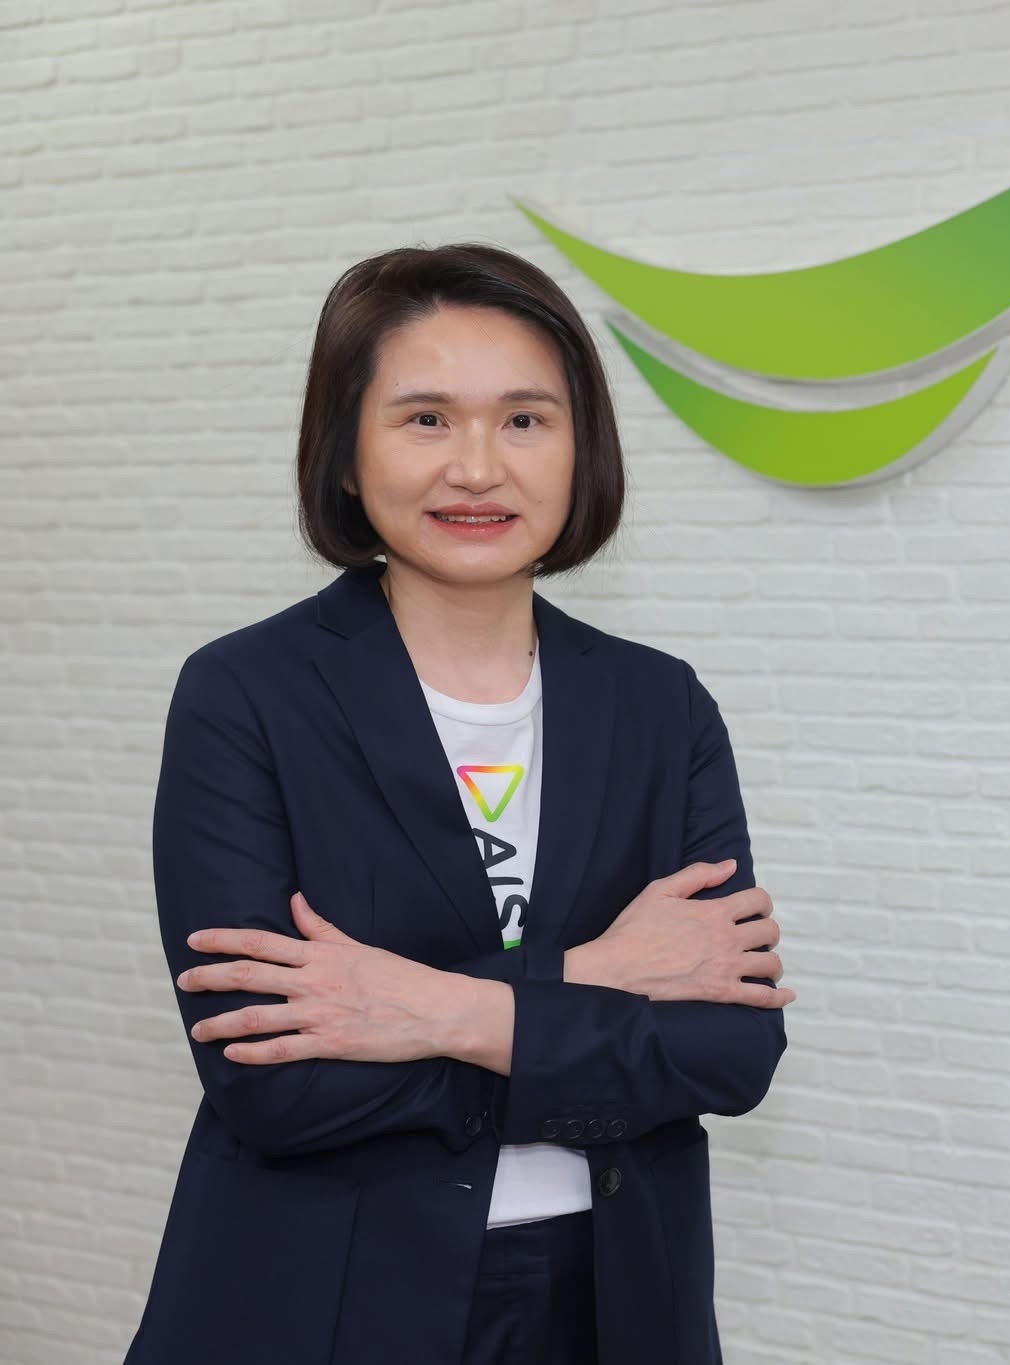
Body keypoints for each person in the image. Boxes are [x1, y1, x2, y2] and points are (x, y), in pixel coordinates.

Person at [122, 243, 794, 1365]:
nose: (477, 469)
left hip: (619, 1299)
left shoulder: (658, 705)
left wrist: (426, 1009)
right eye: (425, 419)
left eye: (524, 420)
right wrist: (596, 976)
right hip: (326, 1301)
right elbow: (276, 1083)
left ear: (582, 450)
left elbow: (727, 1050)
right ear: (345, 453)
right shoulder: (247, 695)